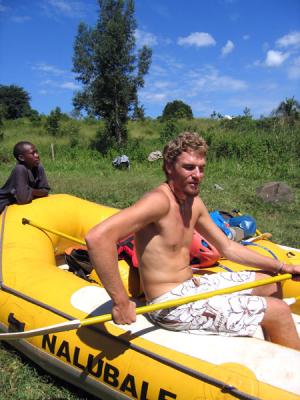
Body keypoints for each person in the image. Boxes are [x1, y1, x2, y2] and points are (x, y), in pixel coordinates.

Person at [85, 132, 300, 350]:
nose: (197, 175)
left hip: (192, 286)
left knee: (270, 283)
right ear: (169, 167)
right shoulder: (159, 202)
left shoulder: (193, 201)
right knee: (279, 311)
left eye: (201, 167)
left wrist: (282, 266)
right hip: (169, 304)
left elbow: (227, 247)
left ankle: (275, 346)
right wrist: (121, 302)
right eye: (189, 167)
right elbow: (98, 238)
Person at [0, 141, 50, 214]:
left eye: (36, 152)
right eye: (33, 153)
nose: (37, 155)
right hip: (3, 201)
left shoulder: (39, 167)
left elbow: (45, 191)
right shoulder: (20, 169)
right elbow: (23, 199)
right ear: (21, 158)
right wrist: (36, 192)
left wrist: (30, 190)